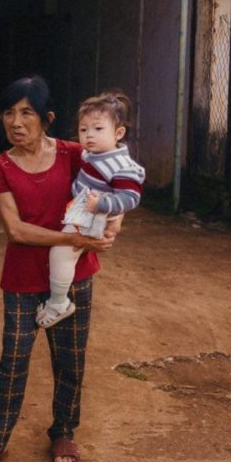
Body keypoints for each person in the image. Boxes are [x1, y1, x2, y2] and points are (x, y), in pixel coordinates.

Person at [0, 76, 121, 462]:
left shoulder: (73, 154)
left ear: (47, 118)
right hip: (22, 278)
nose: (16, 122)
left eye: (26, 113)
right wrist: (70, 237)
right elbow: (15, 230)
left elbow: (118, 178)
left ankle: (64, 431)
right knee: (13, 358)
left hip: (75, 276)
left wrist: (113, 223)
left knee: (69, 358)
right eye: (8, 113)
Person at [37, 91, 145, 328]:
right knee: (63, 252)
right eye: (84, 129)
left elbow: (130, 197)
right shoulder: (93, 153)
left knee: (61, 252)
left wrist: (104, 208)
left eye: (98, 129)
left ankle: (58, 302)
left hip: (93, 214)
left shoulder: (122, 165)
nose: (89, 135)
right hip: (85, 208)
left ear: (118, 133)